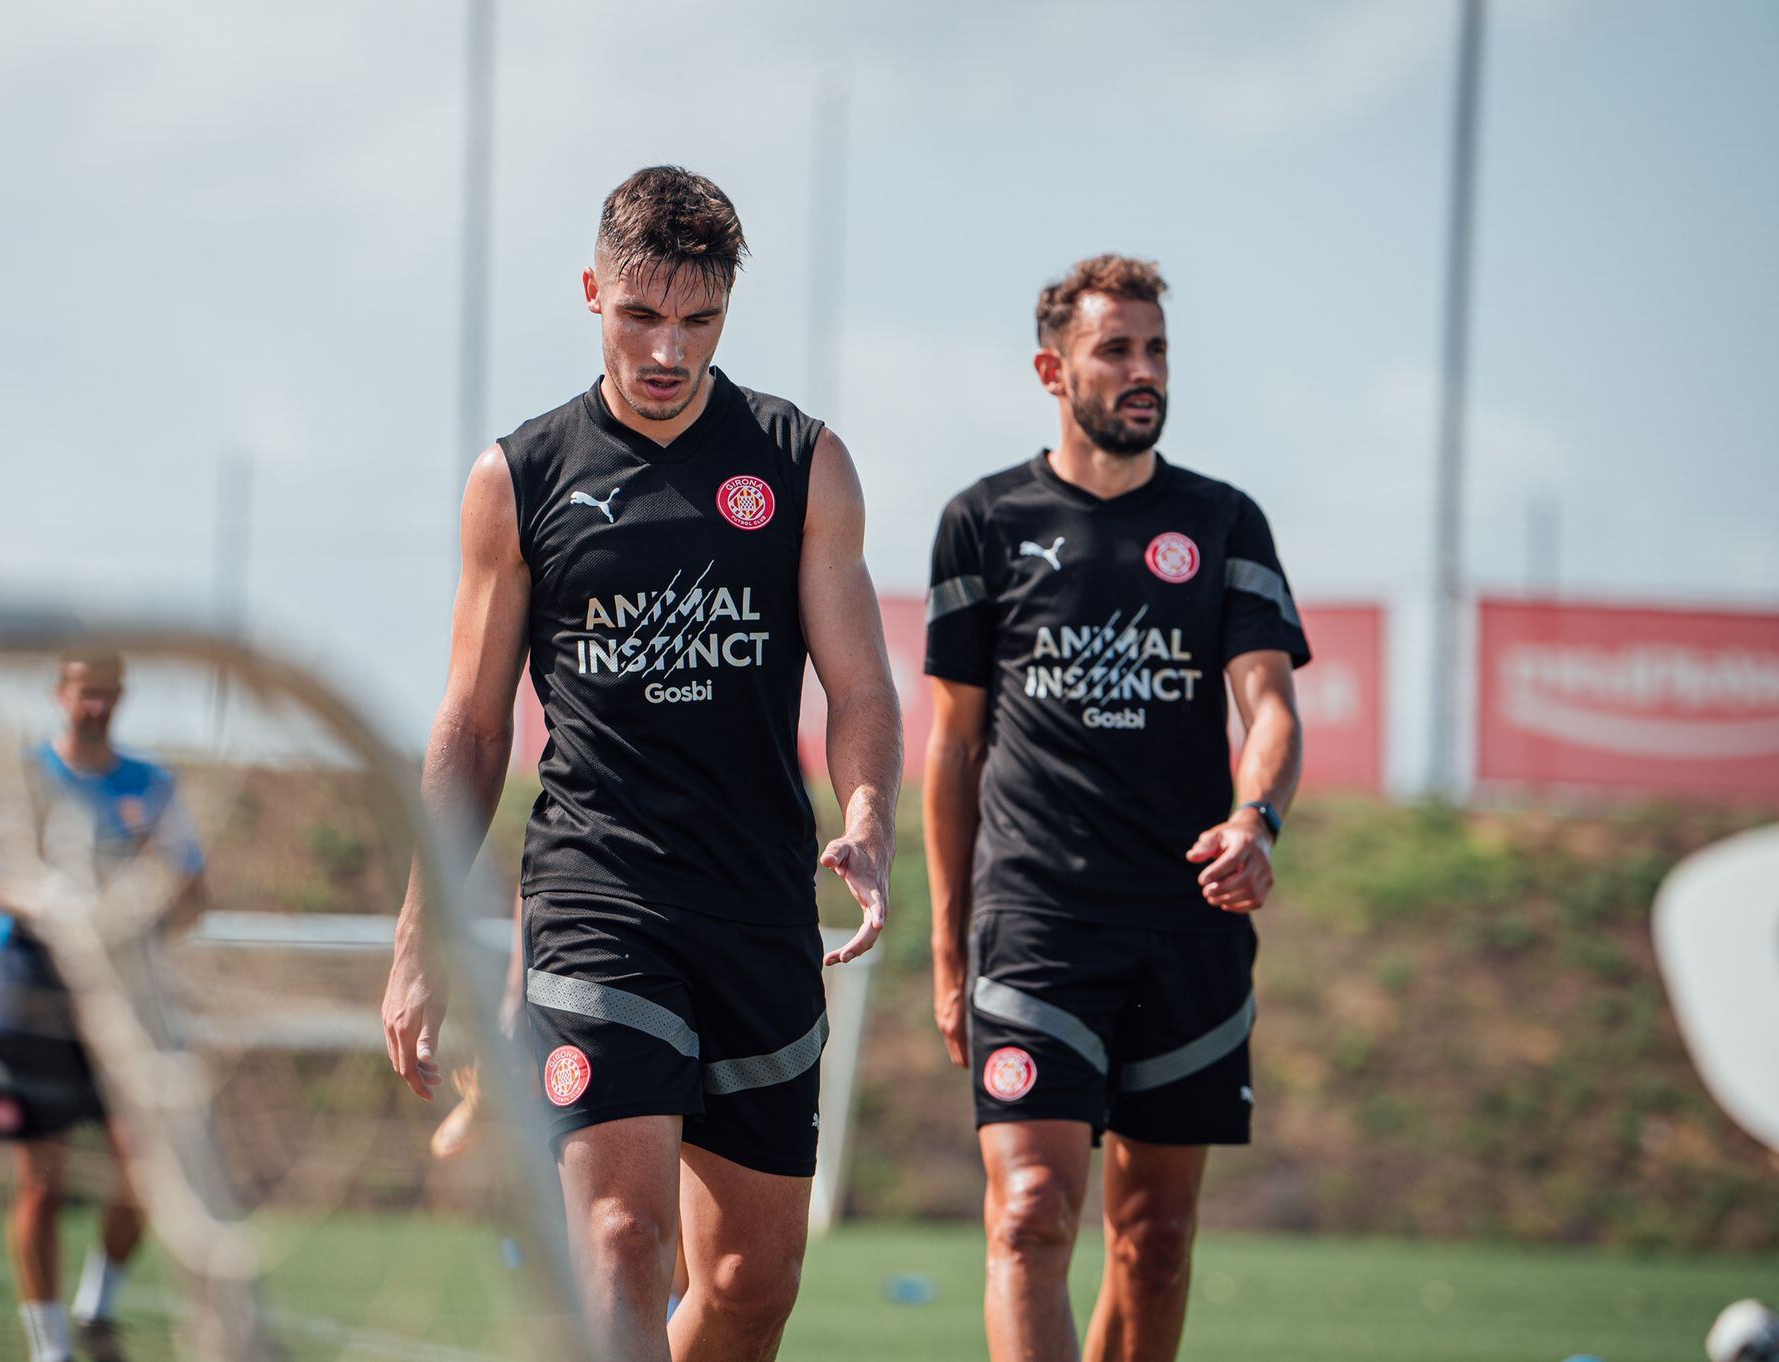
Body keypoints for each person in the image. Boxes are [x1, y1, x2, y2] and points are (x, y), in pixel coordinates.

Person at [381, 165, 901, 1362]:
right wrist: (418, 941)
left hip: (756, 903)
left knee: (749, 1285)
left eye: (698, 320)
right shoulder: (519, 478)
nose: (668, 350)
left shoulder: (799, 462)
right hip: (596, 897)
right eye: (639, 315)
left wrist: (869, 815)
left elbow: (862, 688)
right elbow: (471, 728)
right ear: (591, 293)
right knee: (621, 1238)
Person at [923, 256, 1307, 1362]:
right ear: (1053, 371)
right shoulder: (982, 521)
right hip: (1036, 923)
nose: (1144, 371)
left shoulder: (1223, 522)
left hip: (1187, 924)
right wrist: (948, 947)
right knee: (1030, 1209)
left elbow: (1269, 709)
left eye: (1156, 350)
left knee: (1155, 1239)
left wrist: (1255, 821)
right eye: (1116, 350)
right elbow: (952, 748)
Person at [0, 650, 206, 1362]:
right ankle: (50, 1348)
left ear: (122, 696)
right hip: (31, 995)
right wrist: (24, 896)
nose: (96, 706)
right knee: (41, 1186)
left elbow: (193, 894)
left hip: (123, 998)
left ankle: (97, 1307)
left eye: (108, 693)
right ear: (60, 693)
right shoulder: (13, 782)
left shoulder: (152, 787)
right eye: (85, 692)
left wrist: (135, 909)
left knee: (147, 1165)